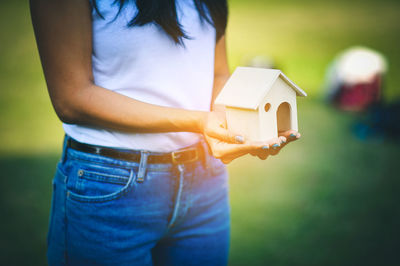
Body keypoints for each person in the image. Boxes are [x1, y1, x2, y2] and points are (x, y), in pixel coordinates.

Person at [30, 0, 301, 265]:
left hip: (205, 184)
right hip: (108, 188)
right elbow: (72, 98)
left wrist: (227, 126)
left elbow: (218, 73)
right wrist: (198, 122)